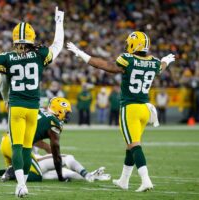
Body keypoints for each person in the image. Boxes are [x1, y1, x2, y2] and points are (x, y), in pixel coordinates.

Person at [67, 31, 175, 192]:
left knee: (134, 145)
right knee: (130, 146)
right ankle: (124, 180)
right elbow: (161, 67)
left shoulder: (128, 59)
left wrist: (82, 54)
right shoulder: (154, 62)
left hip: (130, 108)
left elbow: (105, 66)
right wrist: (166, 60)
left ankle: (146, 180)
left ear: (134, 44)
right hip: (146, 109)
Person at [0, 7, 65, 197]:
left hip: (16, 105)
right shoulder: (40, 54)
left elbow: (3, 84)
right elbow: (58, 45)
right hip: (33, 108)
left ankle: (20, 185)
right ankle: (24, 184)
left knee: (16, 145)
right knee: (27, 147)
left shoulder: (5, 57)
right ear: (32, 37)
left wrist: (6, 99)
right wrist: (59, 22)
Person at [0, 97, 110, 182]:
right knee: (37, 175)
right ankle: (86, 175)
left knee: (39, 172)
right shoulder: (54, 121)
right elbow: (56, 151)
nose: (66, 116)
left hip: (7, 141)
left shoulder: (38, 111)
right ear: (58, 110)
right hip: (17, 145)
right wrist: (60, 175)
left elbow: (32, 134)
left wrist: (44, 147)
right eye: (66, 112)